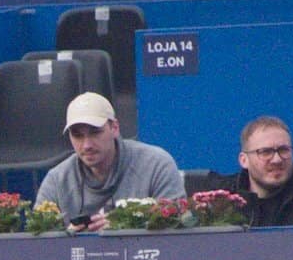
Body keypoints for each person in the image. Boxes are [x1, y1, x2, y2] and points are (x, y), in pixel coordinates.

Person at [36, 92, 185, 232]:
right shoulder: (56, 180)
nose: (87, 145)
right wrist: (67, 239)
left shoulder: (156, 165)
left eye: (95, 132)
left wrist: (124, 229)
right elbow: (38, 242)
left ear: (115, 128)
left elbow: (175, 231)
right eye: (77, 135)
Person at [201, 116, 293, 227]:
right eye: (265, 152)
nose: (277, 160)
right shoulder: (220, 202)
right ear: (244, 160)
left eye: (284, 150)